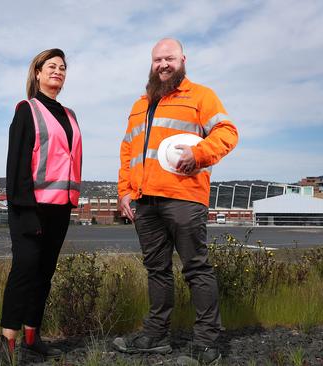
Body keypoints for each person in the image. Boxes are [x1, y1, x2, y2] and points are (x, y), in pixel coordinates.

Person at [113, 38, 238, 366]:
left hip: (184, 197)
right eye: (157, 60)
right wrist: (124, 191)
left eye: (169, 58)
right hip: (145, 201)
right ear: (151, 64)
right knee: (157, 269)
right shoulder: (140, 104)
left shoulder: (201, 96)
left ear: (182, 60)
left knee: (196, 267)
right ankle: (155, 336)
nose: (163, 64)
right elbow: (128, 150)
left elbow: (227, 133)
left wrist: (198, 154)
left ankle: (207, 342)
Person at [0, 48, 82, 365]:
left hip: (61, 208)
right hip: (29, 207)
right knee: (25, 271)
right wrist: (26, 211)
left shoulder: (70, 115)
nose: (58, 71)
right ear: (38, 73)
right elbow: (16, 166)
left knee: (44, 274)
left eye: (63, 67)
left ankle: (33, 337)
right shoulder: (26, 110)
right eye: (51, 66)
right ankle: (7, 343)